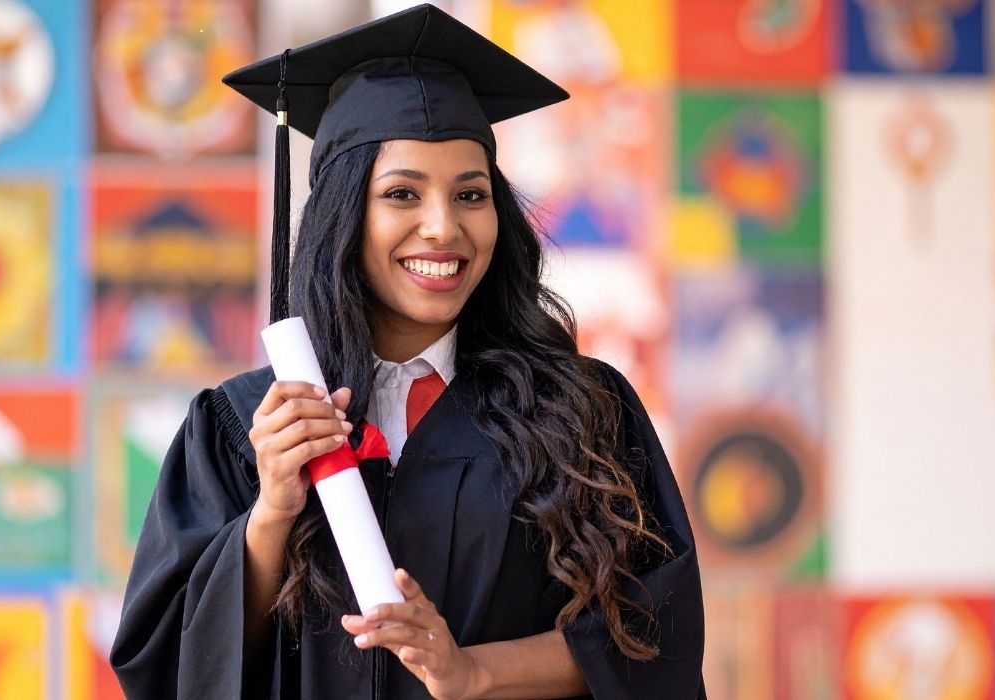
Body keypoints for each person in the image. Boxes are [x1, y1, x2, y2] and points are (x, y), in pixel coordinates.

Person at [109, 4, 704, 698]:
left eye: (471, 194)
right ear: (343, 215)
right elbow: (166, 665)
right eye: (402, 194)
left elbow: (656, 636)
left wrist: (474, 672)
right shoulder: (242, 427)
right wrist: (271, 511)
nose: (442, 226)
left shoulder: (581, 411)